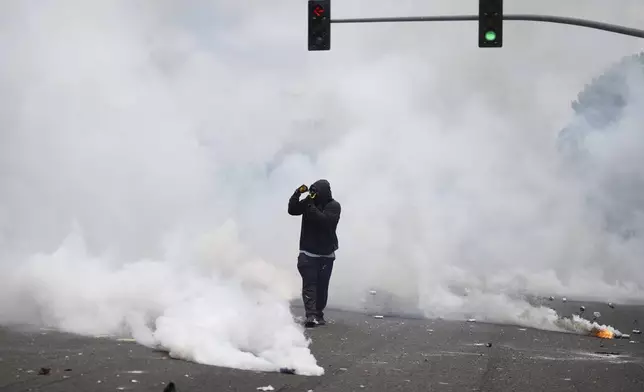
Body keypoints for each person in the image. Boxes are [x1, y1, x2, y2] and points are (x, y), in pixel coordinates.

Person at [288, 179, 341, 327]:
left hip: (326, 255)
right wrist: (297, 193)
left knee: (322, 287)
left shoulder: (334, 206)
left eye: (316, 192)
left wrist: (310, 204)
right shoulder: (309, 202)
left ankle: (318, 313)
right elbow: (292, 210)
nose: (313, 195)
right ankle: (310, 316)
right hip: (307, 253)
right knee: (309, 285)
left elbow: (323, 221)